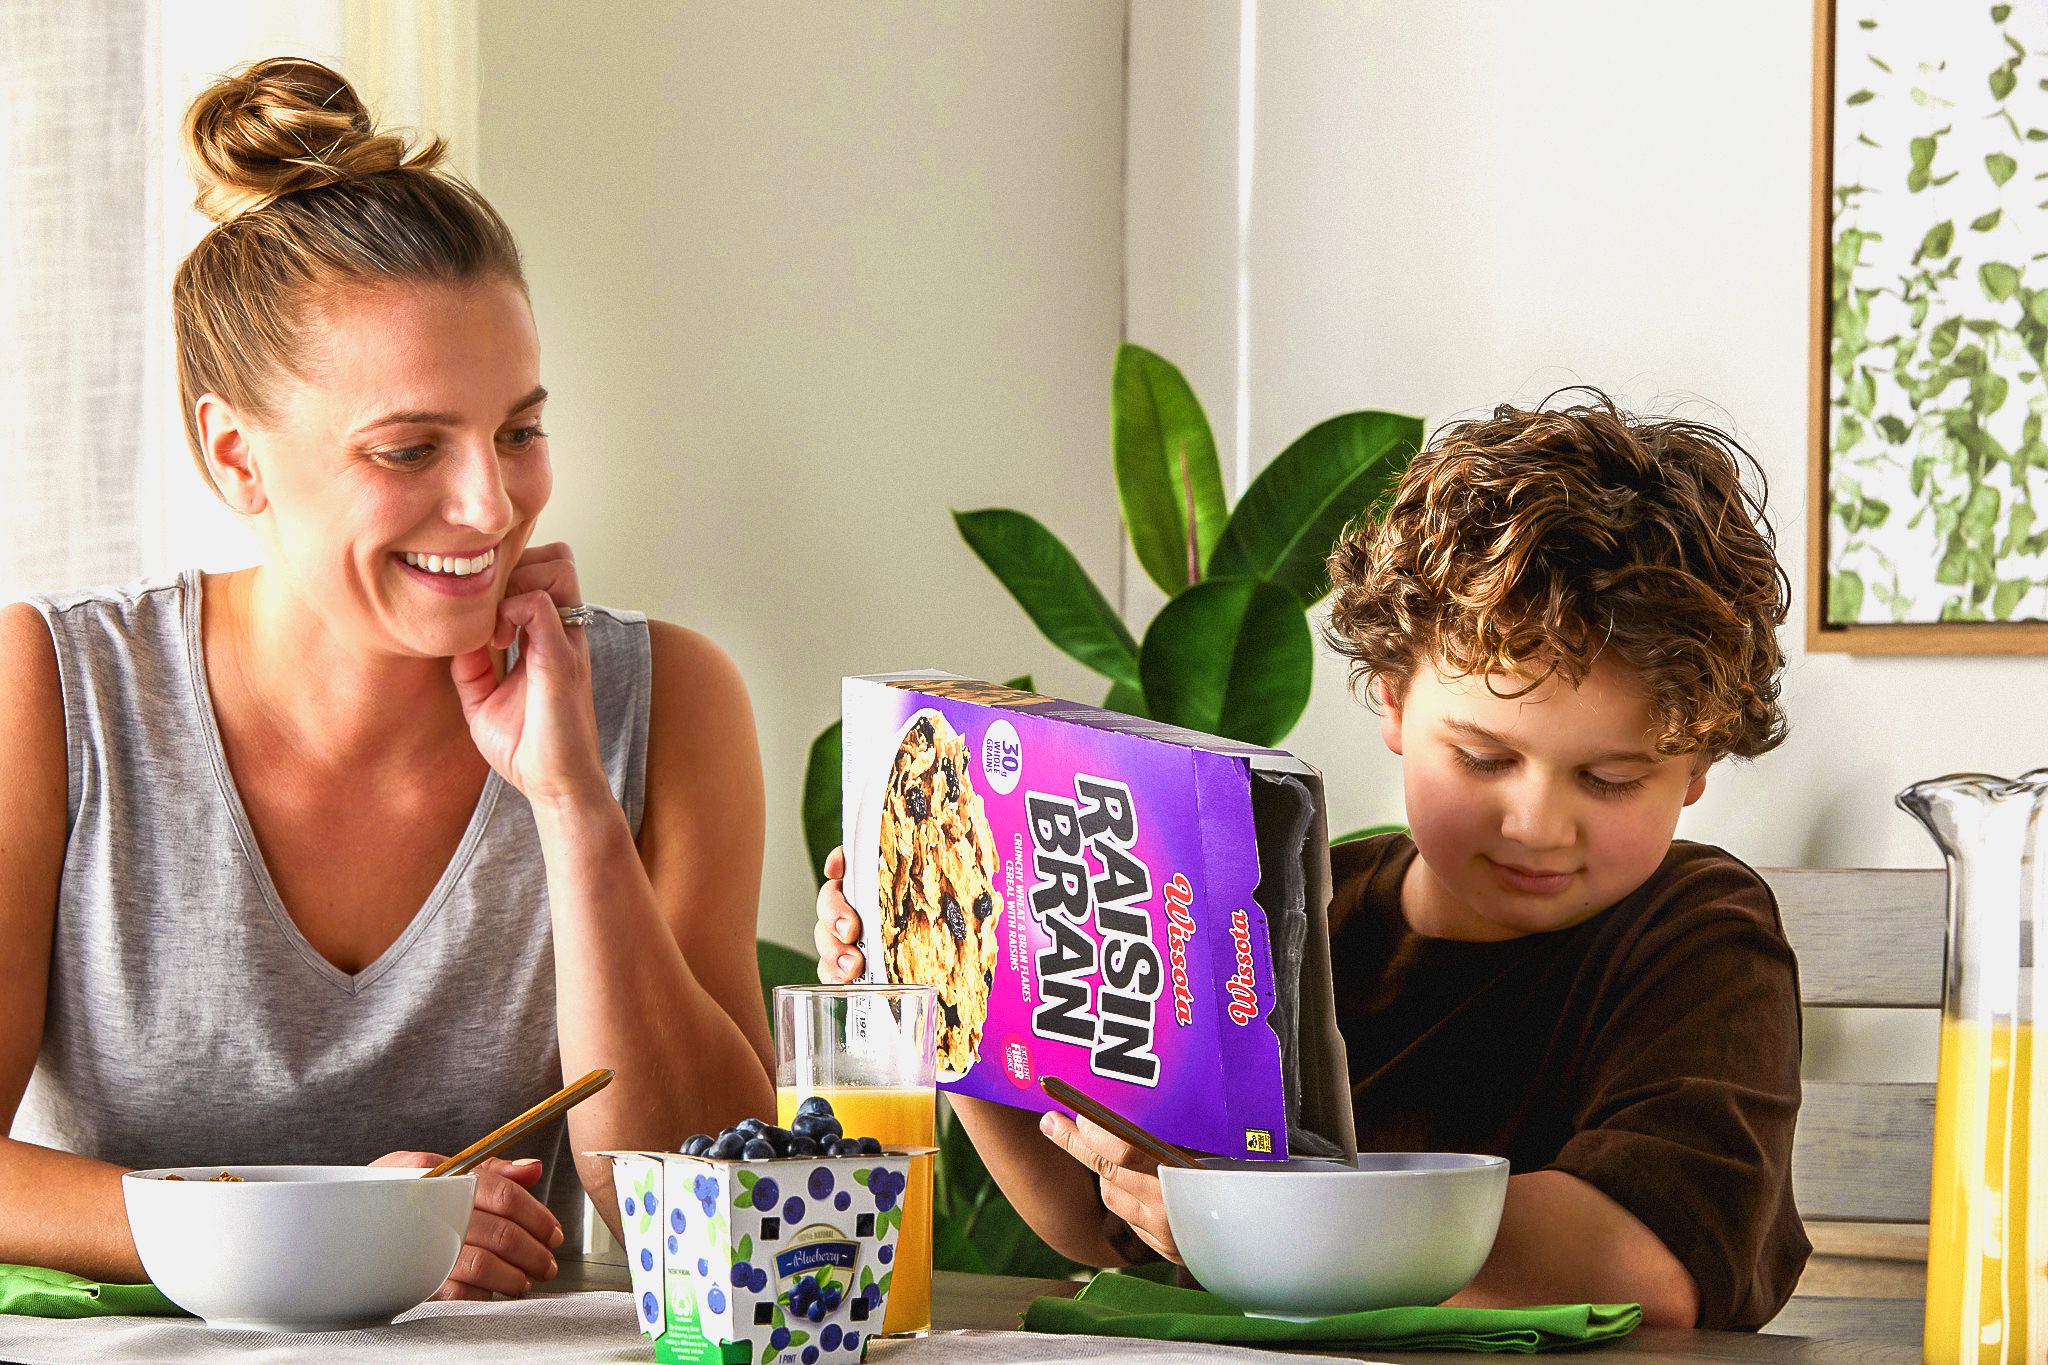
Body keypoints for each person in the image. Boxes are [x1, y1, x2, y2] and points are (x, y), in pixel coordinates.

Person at [0, 58, 775, 1300]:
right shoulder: (56, 690)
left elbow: (714, 1208)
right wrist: (313, 1229)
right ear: (235, 456)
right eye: (410, 447)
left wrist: (572, 805)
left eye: (519, 430)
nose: (490, 503)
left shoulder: (665, 703)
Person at [815, 391, 1809, 1330]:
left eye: (1610, 779)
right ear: (1388, 697)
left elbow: (1644, 1264)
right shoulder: (1288, 909)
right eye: (1482, 758)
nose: (1537, 824)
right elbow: (1106, 1226)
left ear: (1696, 764)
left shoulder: (1697, 936)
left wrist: (1258, 1225)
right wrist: (949, 1004)